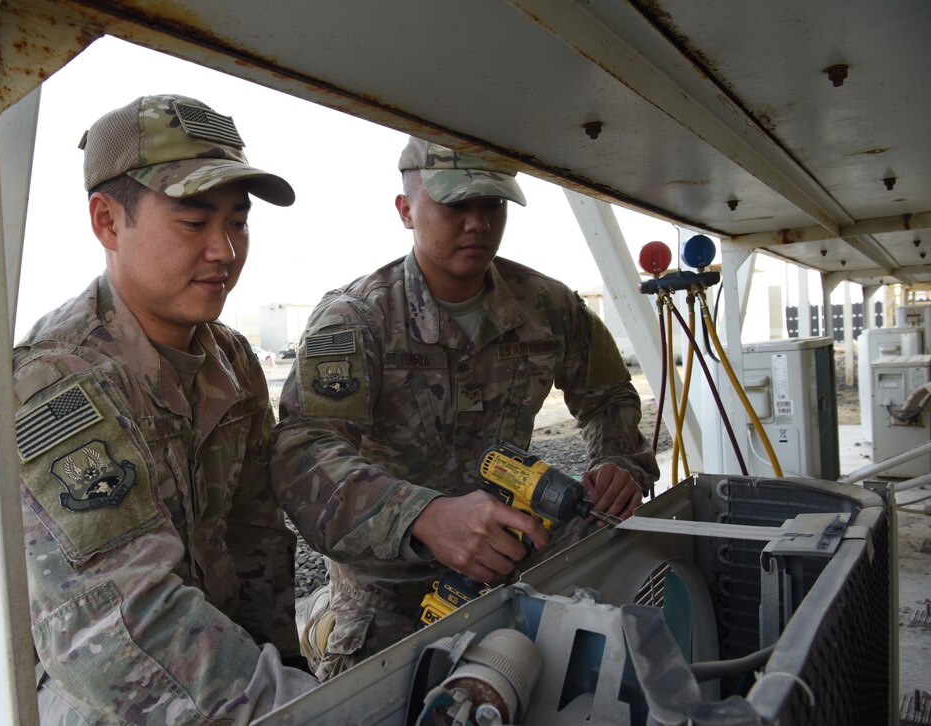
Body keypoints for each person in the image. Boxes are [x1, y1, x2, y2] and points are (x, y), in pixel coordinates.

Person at [270, 136, 660, 679]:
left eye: (492, 204)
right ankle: (323, 620)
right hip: (391, 584)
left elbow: (609, 395)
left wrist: (617, 461)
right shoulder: (356, 320)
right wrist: (423, 516)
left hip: (510, 561)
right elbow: (303, 450)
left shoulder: (548, 306)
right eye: (455, 204)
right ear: (406, 211)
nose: (477, 223)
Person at [12, 94, 317, 723]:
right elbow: (115, 621)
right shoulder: (55, 383)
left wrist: (287, 666)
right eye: (193, 222)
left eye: (238, 223)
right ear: (107, 221)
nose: (224, 250)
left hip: (232, 673)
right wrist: (298, 713)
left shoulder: (230, 358)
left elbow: (255, 533)